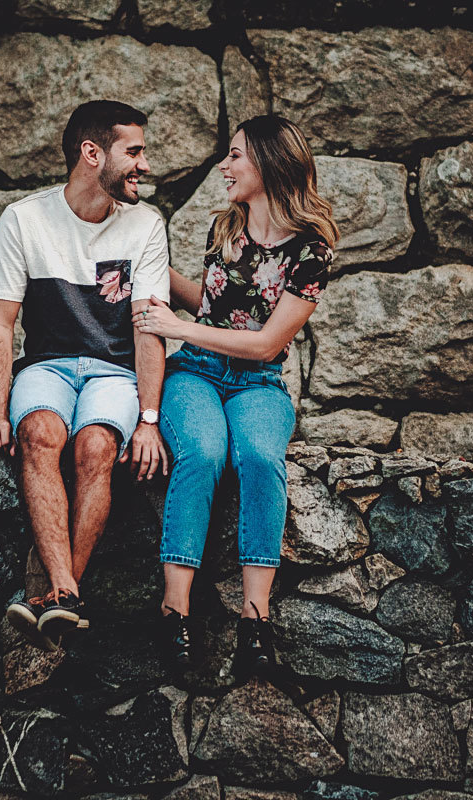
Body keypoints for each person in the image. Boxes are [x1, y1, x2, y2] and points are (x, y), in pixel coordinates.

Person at [132, 115, 338, 678]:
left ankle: (255, 621)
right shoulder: (226, 226)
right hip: (196, 374)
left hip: (259, 381)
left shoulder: (312, 251)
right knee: (202, 453)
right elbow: (211, 303)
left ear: (269, 163)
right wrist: (152, 270)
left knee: (259, 458)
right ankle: (174, 612)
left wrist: (179, 329)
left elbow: (267, 341)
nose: (224, 166)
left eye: (235, 155)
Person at [0, 100, 170, 651]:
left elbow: (148, 329)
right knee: (39, 434)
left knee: (96, 447)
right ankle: (67, 593)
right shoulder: (24, 219)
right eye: (133, 152)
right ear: (92, 154)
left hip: (114, 371)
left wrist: (149, 420)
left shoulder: (146, 224)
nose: (144, 165)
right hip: (47, 365)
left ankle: (55, 595)